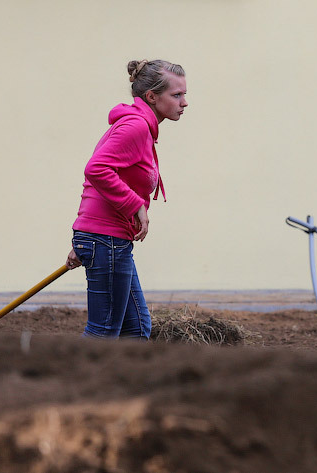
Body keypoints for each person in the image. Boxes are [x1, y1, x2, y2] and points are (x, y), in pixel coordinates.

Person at [65, 59, 188, 339]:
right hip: (104, 240)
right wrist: (135, 207)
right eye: (176, 95)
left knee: (136, 330)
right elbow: (96, 170)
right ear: (152, 96)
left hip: (105, 240)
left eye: (184, 94)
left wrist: (85, 241)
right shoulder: (135, 127)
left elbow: (102, 179)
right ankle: (68, 370)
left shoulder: (139, 126)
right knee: (103, 333)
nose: (184, 102)